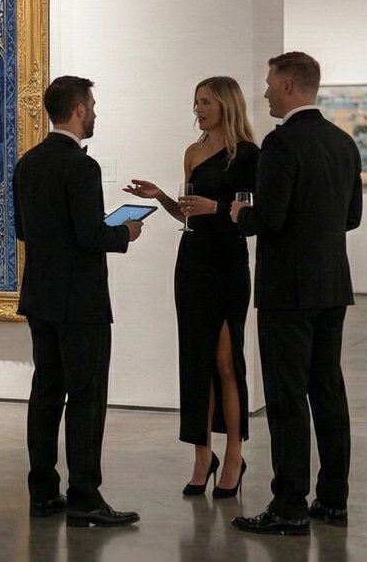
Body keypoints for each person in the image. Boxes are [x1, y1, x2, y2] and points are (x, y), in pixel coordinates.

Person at [228, 51, 361, 537]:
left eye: (267, 83)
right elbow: (352, 218)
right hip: (332, 285)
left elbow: (271, 219)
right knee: (328, 390)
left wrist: (241, 215)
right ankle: (333, 498)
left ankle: (288, 505)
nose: (263, 92)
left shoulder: (281, 144)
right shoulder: (344, 143)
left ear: (287, 86)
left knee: (287, 397)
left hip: (287, 289)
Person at [14, 75, 144, 528]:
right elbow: (91, 235)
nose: (95, 112)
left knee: (46, 393)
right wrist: (124, 232)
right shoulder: (81, 168)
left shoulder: (28, 163)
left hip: (41, 297)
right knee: (86, 397)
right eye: (91, 104)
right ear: (79, 110)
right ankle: (85, 495)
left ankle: (44, 491)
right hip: (81, 302)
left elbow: (23, 231)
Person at [123, 76, 257, 498]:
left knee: (225, 361)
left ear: (226, 105)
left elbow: (253, 217)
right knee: (195, 360)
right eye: (195, 101)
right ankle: (203, 455)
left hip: (228, 261)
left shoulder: (249, 155)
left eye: (206, 102)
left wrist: (217, 208)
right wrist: (162, 195)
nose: (198, 109)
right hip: (194, 259)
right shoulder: (193, 152)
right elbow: (187, 216)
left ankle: (234, 453)